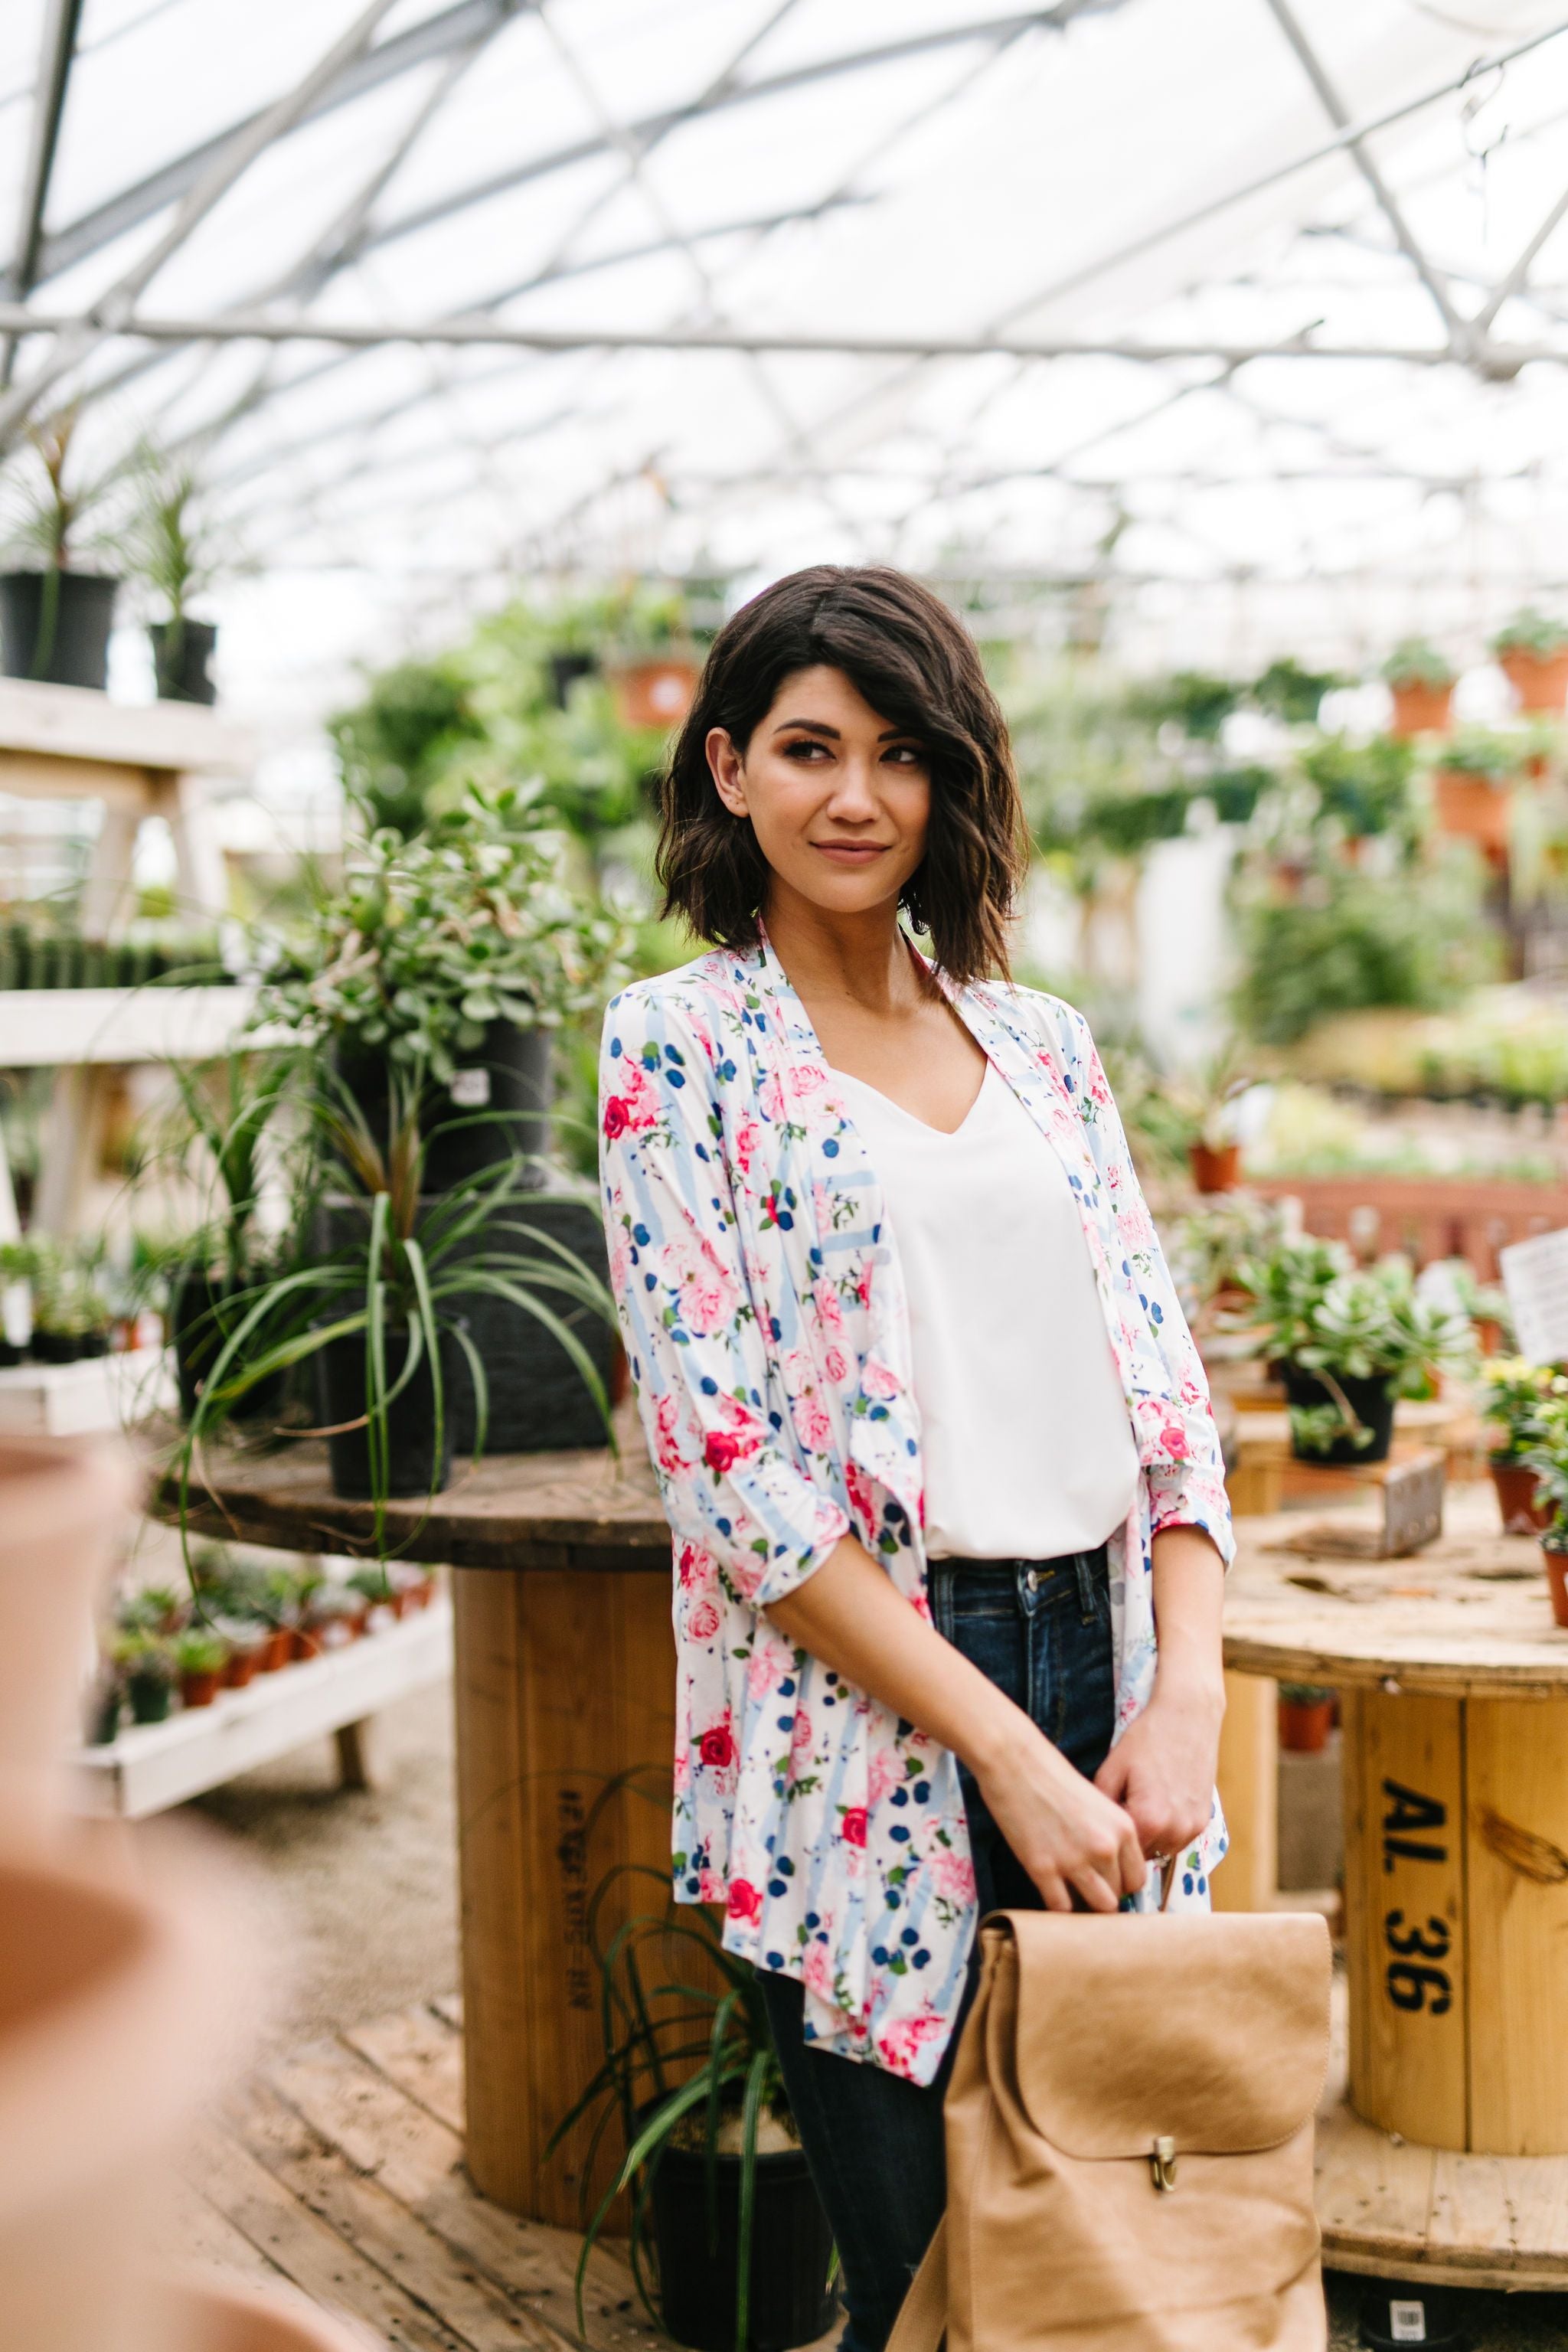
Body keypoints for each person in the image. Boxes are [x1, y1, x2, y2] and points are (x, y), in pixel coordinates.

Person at [598, 565, 1233, 2352]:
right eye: (808, 748)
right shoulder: (678, 1048)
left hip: (1104, 1671)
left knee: (1116, 2238)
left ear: (952, 781)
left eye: (900, 753)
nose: (855, 796)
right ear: (729, 770)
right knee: (934, 2276)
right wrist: (1009, 1757)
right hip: (863, 1705)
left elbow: (1168, 1403)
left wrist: (1181, 1695)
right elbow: (730, 1478)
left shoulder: (1042, 1047)